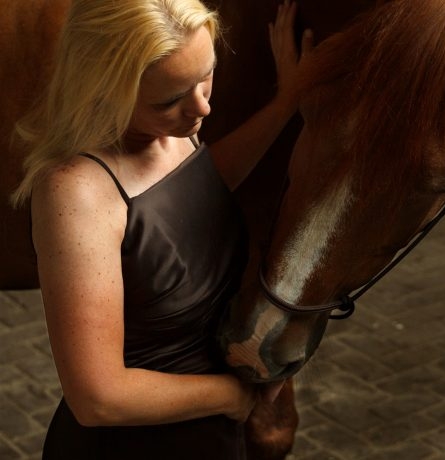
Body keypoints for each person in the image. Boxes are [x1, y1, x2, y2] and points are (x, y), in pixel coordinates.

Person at [11, 0, 313, 458]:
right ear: (103, 88)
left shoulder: (172, 128)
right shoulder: (75, 192)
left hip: (212, 432)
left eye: (206, 75)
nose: (202, 107)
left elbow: (197, 189)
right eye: (170, 99)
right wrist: (234, 397)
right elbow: (98, 398)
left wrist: (285, 103)